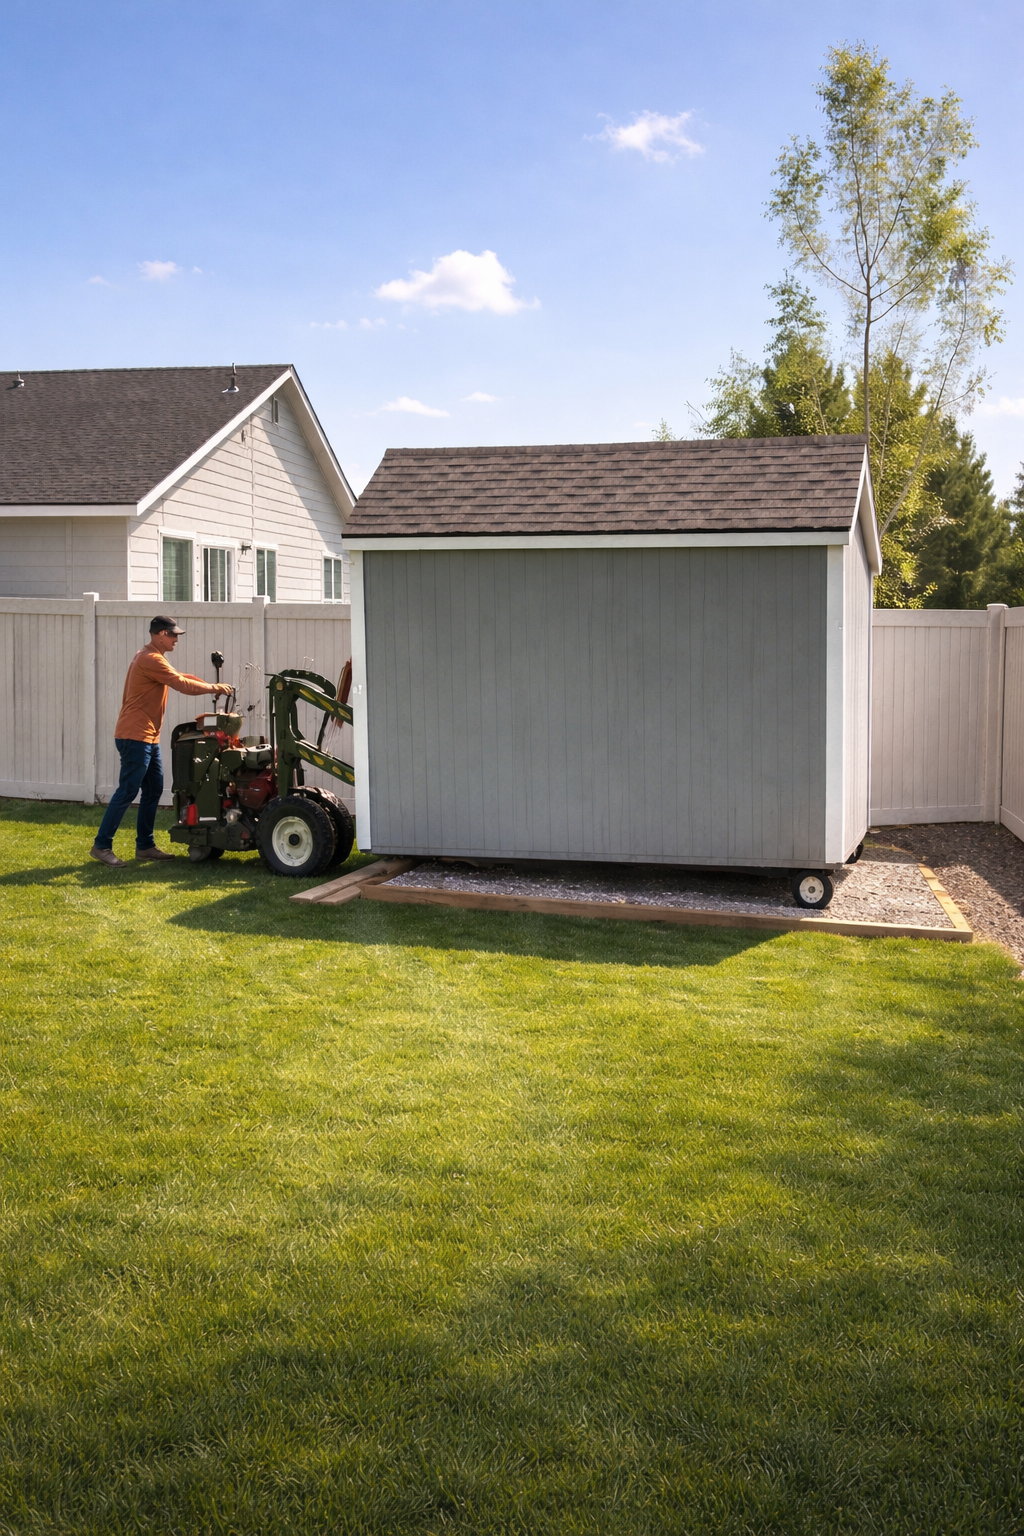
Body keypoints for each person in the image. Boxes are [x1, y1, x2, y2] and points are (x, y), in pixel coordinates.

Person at [90, 617, 232, 867]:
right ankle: (102, 846)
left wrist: (213, 686)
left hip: (147, 737)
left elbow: (181, 676)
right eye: (173, 635)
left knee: (154, 790)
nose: (176, 639)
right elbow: (181, 684)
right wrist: (213, 688)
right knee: (127, 791)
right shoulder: (150, 659)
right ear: (160, 634)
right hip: (134, 736)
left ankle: (145, 846)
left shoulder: (153, 656)